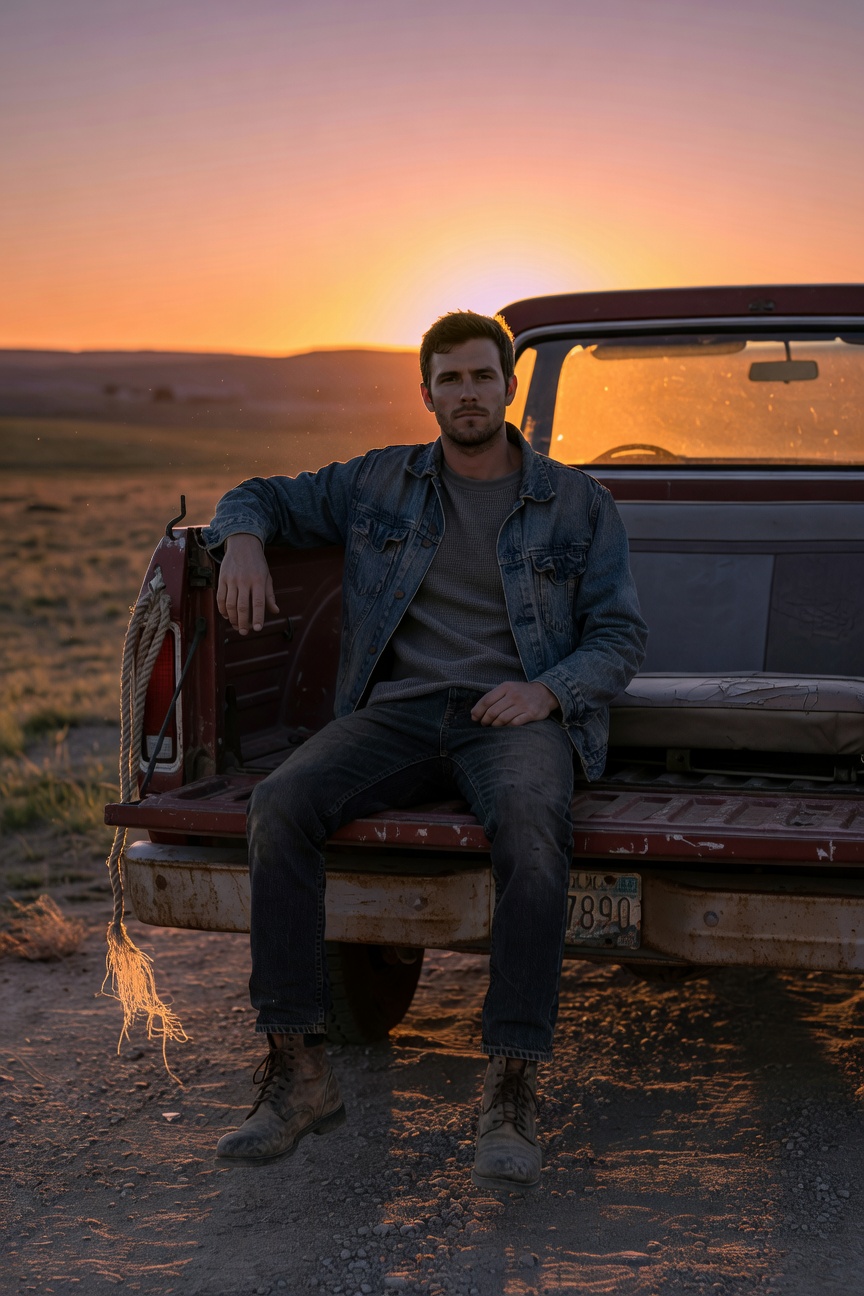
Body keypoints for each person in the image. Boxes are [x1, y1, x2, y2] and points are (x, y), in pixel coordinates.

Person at [201, 310, 647, 1190]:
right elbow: (260, 493)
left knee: (530, 828)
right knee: (281, 805)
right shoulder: (379, 483)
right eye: (450, 380)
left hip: (515, 717)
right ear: (427, 393)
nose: (468, 393)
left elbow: (621, 635)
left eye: (483, 377)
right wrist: (242, 540)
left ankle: (511, 1084)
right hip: (400, 712)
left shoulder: (577, 501)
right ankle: (298, 1072)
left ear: (508, 388)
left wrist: (547, 690)